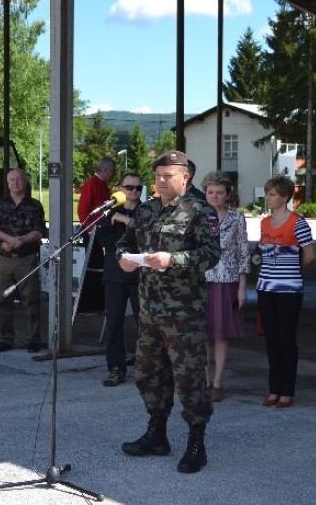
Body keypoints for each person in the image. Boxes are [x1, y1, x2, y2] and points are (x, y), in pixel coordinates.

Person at [116, 150, 220, 474]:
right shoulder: (147, 209)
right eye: (158, 176)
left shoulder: (200, 210)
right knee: (148, 374)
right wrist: (124, 259)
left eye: (168, 176)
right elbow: (125, 242)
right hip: (150, 311)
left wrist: (173, 260)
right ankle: (156, 434)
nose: (160, 181)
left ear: (185, 177)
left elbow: (211, 254)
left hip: (184, 314)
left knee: (189, 378)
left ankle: (196, 443)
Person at [256, 175, 316, 409]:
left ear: (284, 197)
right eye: (267, 193)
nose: (267, 198)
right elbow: (261, 252)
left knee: (286, 340)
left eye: (272, 194)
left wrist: (290, 269)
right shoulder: (264, 223)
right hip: (265, 288)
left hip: (289, 291)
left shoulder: (297, 223)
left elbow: (310, 255)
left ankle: (287, 390)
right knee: (271, 339)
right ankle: (274, 388)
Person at [202, 171, 250, 402]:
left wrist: (242, 286)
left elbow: (243, 253)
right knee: (202, 333)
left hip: (226, 281)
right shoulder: (198, 216)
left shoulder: (237, 218)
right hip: (201, 281)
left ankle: (218, 381)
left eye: (219, 192)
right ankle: (203, 380)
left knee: (221, 334)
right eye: (210, 192)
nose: (214, 196)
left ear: (228, 194)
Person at [0, 168, 46, 353]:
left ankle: (34, 339)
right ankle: (5, 339)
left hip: (26, 259)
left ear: (25, 181)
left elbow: (39, 231)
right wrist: (8, 239)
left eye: (19, 179)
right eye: (12, 180)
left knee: (31, 301)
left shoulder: (35, 205)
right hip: (4, 260)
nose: (15, 183)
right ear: (7, 183)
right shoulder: (0, 204)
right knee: (2, 300)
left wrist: (21, 240)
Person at [95, 172, 142, 387]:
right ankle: (115, 368)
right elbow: (105, 240)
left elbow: (146, 236)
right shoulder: (110, 212)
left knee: (145, 324)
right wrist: (126, 231)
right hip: (115, 275)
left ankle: (147, 367)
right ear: (120, 189)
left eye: (138, 188)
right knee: (113, 323)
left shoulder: (148, 211)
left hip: (140, 275)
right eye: (129, 187)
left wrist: (125, 221)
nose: (134, 191)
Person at [78, 156, 115, 229]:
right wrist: (90, 229)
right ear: (105, 170)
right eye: (112, 171)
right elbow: (82, 210)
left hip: (102, 227)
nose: (112, 174)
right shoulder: (91, 184)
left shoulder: (103, 184)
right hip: (93, 229)